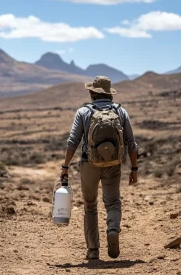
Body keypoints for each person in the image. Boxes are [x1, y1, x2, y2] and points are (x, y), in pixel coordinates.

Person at [60, 76, 138, 260]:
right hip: (113, 165)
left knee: (90, 206)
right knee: (113, 202)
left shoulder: (83, 112)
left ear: (92, 92)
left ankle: (93, 250)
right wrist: (134, 169)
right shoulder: (121, 112)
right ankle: (112, 228)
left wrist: (65, 166)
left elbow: (73, 142)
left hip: (90, 164)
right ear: (109, 93)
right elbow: (131, 143)